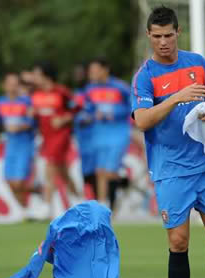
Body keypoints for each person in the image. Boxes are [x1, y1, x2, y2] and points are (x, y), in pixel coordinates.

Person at [131, 6, 205, 278]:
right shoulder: (145, 76)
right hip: (171, 169)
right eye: (157, 36)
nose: (163, 42)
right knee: (178, 241)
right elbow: (142, 120)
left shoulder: (197, 63)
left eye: (168, 35)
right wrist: (176, 97)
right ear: (149, 36)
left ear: (179, 33)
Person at [31, 62, 81, 218]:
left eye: (37, 74)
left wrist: (64, 118)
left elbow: (77, 105)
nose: (34, 77)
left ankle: (46, 207)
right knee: (63, 172)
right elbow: (39, 114)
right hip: (46, 136)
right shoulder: (36, 94)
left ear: (46, 75)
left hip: (60, 136)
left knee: (50, 167)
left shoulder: (61, 92)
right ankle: (79, 201)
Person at [0, 73, 37, 219]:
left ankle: (32, 199)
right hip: (10, 145)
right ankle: (25, 210)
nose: (13, 86)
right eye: (10, 83)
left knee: (19, 181)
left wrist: (20, 126)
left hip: (24, 144)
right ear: (4, 85)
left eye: (15, 83)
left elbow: (33, 122)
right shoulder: (0, 102)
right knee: (10, 180)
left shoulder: (26, 102)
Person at [84, 58, 131, 209]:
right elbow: (86, 109)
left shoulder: (120, 87)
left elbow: (133, 107)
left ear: (105, 70)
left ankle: (123, 180)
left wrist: (115, 113)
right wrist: (90, 116)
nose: (92, 74)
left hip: (118, 132)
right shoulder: (90, 89)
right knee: (100, 171)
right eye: (91, 71)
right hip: (99, 133)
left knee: (109, 172)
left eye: (95, 70)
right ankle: (103, 206)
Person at [71, 63, 98, 198]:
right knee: (87, 174)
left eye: (80, 73)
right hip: (82, 139)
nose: (78, 76)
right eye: (76, 73)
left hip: (95, 137)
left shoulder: (94, 91)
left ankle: (103, 200)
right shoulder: (75, 94)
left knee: (97, 171)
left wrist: (91, 117)